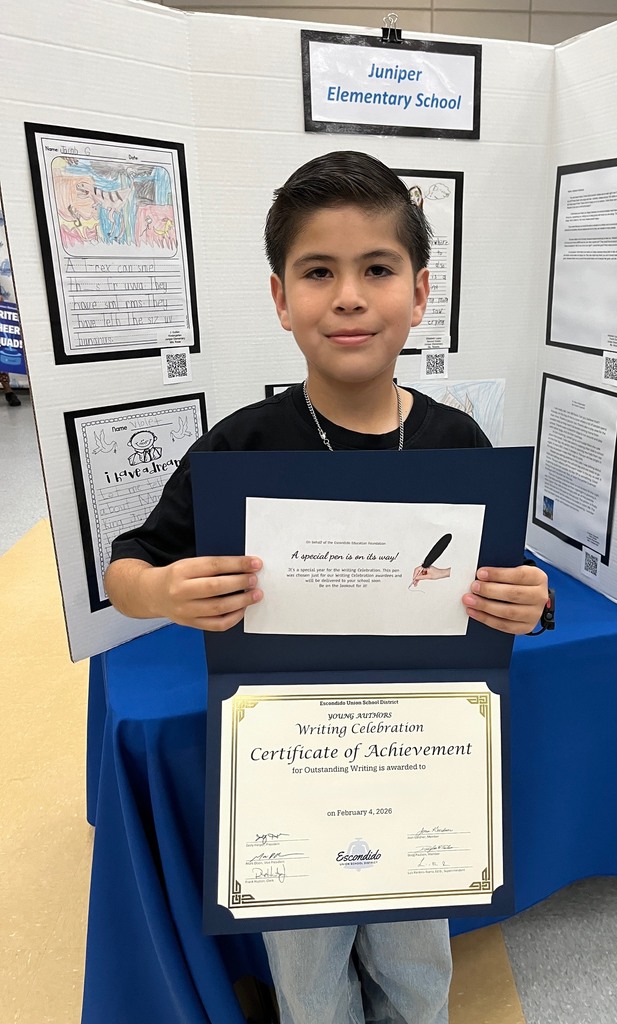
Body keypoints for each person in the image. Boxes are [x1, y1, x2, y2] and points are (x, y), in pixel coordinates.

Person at [105, 150, 549, 1024]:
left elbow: (511, 582)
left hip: (422, 761)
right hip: (286, 769)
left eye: (376, 269)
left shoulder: (459, 443)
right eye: (318, 272)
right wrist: (160, 594)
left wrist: (532, 602)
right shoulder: (240, 447)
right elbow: (128, 566)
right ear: (281, 298)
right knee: (309, 984)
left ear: (419, 293)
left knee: (419, 969)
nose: (348, 296)